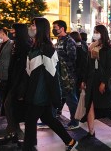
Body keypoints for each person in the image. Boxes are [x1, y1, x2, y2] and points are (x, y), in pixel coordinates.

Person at [23, 17, 78, 151]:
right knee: (48, 119)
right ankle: (70, 141)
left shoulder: (47, 49)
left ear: (41, 28)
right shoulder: (35, 46)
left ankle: (28, 147)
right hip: (36, 91)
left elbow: (52, 75)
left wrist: (55, 98)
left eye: (33, 25)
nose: (31, 27)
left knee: (30, 121)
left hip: (40, 93)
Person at [81, 25, 111, 138]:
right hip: (91, 79)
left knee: (105, 108)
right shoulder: (91, 47)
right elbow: (87, 65)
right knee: (89, 105)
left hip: (101, 79)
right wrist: (84, 80)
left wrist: (104, 82)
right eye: (94, 31)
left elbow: (110, 68)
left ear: (103, 34)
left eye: (97, 32)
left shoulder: (109, 48)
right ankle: (91, 132)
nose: (95, 34)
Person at [0, 24, 31, 146]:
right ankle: (13, 133)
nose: (11, 31)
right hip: (12, 81)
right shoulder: (16, 45)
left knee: (10, 106)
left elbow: (23, 69)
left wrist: (20, 88)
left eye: (13, 29)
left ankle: (16, 133)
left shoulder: (25, 46)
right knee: (9, 108)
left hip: (19, 83)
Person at [53, 20, 79, 129]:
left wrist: (61, 62)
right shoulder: (58, 41)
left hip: (68, 76)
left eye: (55, 27)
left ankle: (75, 121)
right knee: (62, 97)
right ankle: (51, 118)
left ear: (62, 28)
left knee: (71, 99)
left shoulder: (69, 41)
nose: (54, 29)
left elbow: (73, 59)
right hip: (59, 74)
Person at [69, 31, 88, 99]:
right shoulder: (83, 46)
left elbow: (82, 63)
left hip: (78, 75)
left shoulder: (77, 48)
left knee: (76, 95)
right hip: (80, 74)